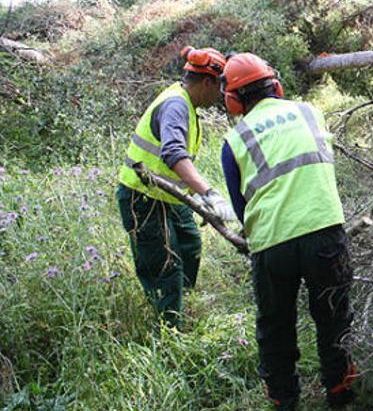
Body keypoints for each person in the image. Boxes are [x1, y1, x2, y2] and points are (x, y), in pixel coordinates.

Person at [219, 53, 357, 410]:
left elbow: (240, 207)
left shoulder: (235, 140)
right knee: (334, 317)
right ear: (275, 85)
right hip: (324, 231)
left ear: (233, 101)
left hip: (271, 245)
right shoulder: (311, 112)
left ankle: (284, 400)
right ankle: (341, 394)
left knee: (276, 327)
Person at [116, 46, 236, 328]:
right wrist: (208, 193)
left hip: (169, 197)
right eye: (219, 87)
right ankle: (169, 330)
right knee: (165, 266)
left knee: (190, 245)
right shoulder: (176, 105)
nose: (220, 95)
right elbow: (173, 154)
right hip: (142, 197)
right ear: (208, 82)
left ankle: (181, 308)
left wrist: (199, 199)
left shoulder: (186, 104)